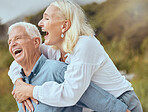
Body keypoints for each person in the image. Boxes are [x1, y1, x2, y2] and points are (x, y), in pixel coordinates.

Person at [8, 0, 143, 112]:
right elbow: (21, 59)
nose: (40, 23)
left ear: (65, 25)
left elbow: (70, 94)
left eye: (47, 18)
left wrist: (31, 91)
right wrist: (19, 83)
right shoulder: (53, 50)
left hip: (122, 104)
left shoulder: (85, 45)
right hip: (99, 106)